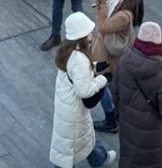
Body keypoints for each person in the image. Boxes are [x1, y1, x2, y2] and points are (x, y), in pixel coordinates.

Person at [49, 12, 117, 168]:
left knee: (81, 139)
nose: (91, 36)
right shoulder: (79, 58)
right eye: (89, 33)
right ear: (82, 36)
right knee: (70, 146)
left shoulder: (68, 51)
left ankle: (100, 160)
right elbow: (83, 91)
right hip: (73, 112)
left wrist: (94, 67)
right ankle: (101, 160)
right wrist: (103, 79)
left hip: (66, 106)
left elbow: (76, 73)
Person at [112, 22, 162, 168]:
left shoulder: (123, 61)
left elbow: (115, 92)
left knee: (129, 157)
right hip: (151, 132)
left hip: (127, 123)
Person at [92, 0, 146, 134]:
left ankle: (111, 120)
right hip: (112, 54)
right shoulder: (127, 5)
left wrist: (102, 4)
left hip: (107, 55)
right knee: (113, 84)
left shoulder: (124, 15)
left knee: (101, 86)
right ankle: (118, 113)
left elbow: (103, 26)